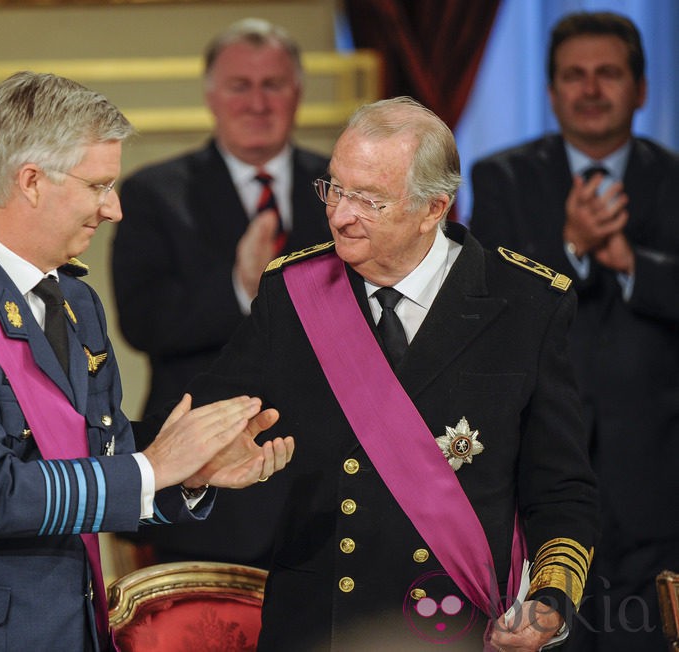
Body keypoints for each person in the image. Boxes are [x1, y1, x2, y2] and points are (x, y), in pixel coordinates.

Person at [0, 71, 294, 652]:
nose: (114, 209)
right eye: (98, 185)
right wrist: (156, 468)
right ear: (31, 182)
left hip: (67, 626)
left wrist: (191, 470)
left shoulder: (76, 302)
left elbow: (95, 454)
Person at [158, 96, 600, 650]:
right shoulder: (292, 293)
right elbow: (208, 433)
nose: (341, 214)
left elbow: (560, 490)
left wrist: (549, 603)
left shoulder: (527, 304)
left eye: (370, 200)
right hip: (321, 626)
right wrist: (200, 473)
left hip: (458, 625)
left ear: (434, 209)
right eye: (335, 188)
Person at [468, 12, 679, 651]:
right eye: (573, 76)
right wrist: (572, 247)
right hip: (541, 490)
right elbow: (490, 306)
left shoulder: (673, 179)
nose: (590, 90)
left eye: (608, 74)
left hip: (660, 493)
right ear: (552, 90)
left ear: (640, 89)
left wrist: (631, 264)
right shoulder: (500, 178)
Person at [111, 16, 331, 569]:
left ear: (297, 93)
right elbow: (143, 322)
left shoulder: (342, 189)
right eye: (240, 85)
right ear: (211, 97)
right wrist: (239, 287)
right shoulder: (153, 194)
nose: (257, 102)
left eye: (272, 84)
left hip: (328, 489)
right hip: (208, 501)